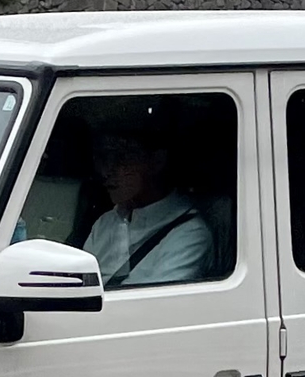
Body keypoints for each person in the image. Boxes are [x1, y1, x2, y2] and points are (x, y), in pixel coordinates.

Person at [80, 117, 213, 288]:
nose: (107, 171)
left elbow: (153, 309)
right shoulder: (106, 223)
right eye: (103, 158)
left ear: (157, 161)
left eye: (121, 158)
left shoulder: (190, 235)